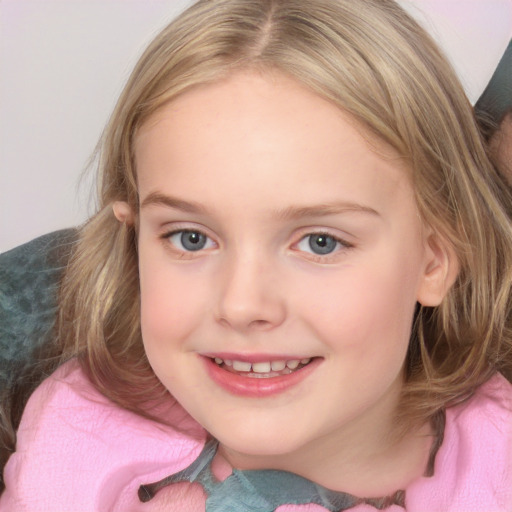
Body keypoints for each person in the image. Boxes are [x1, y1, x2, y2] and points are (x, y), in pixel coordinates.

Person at [1, 0, 512, 509]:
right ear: (134, 241)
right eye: (191, 238)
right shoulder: (71, 449)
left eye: (321, 242)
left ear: (435, 259)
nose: (243, 304)